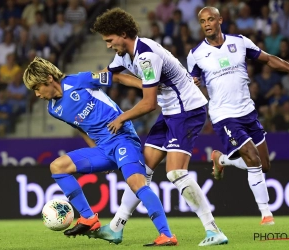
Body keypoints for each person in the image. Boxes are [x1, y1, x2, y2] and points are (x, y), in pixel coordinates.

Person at [85, 7, 228, 247]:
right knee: (140, 172)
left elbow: (149, 103)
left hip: (187, 111)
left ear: (123, 34)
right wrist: (74, 83)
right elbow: (106, 75)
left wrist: (122, 118)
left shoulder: (146, 55)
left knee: (175, 173)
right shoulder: (124, 56)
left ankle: (214, 231)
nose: (108, 45)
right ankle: (116, 228)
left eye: (110, 40)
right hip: (170, 112)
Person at [22, 57, 178, 246]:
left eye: (37, 88)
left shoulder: (79, 81)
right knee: (58, 166)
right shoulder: (54, 109)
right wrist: (95, 151)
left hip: (122, 139)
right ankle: (88, 218)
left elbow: (117, 77)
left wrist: (147, 87)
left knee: (137, 183)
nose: (37, 94)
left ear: (48, 78)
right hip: (103, 149)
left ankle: (166, 234)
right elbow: (81, 128)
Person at [187, 6, 289, 226]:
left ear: (220, 20)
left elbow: (268, 59)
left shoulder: (240, 42)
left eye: (210, 19)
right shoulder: (196, 54)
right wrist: (193, 83)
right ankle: (266, 215)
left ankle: (222, 159)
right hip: (224, 115)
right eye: (202, 21)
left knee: (264, 165)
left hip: (248, 111)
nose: (206, 24)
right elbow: (190, 82)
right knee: (253, 159)